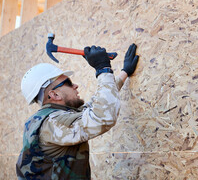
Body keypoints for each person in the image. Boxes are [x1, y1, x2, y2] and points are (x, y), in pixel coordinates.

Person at [16, 44, 139, 179]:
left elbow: (96, 105)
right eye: (68, 83)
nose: (75, 85)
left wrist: (124, 72)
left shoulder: (49, 118)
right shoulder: (53, 124)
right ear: (54, 95)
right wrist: (103, 69)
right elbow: (103, 116)